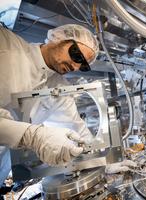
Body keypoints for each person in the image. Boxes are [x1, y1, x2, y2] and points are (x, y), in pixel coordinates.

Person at [0, 24, 99, 169]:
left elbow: (76, 129)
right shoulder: (6, 45)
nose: (76, 67)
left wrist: (101, 162)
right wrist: (33, 136)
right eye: (77, 56)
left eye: (83, 66)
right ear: (59, 38)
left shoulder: (59, 88)